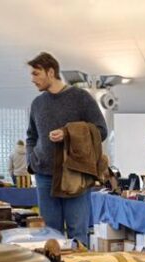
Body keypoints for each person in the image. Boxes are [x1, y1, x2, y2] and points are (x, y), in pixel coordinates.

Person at [26, 52, 107, 244]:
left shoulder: (81, 98)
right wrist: (32, 158)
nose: (32, 79)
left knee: (77, 233)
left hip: (75, 176)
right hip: (44, 176)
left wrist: (68, 133)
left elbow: (101, 130)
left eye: (36, 74)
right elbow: (31, 136)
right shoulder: (37, 103)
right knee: (50, 236)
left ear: (51, 71)